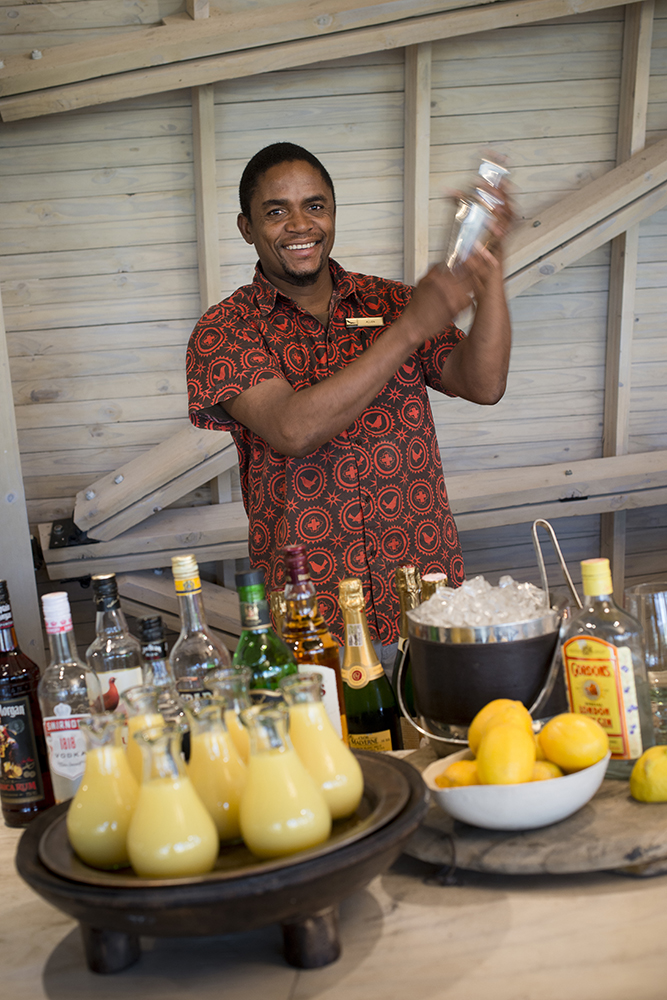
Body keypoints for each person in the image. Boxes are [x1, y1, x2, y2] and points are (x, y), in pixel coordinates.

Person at [187, 142, 512, 655]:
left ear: (333, 213)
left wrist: (488, 272)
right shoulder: (225, 330)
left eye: (314, 206)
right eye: (276, 212)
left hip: (426, 595)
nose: (300, 225)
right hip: (315, 618)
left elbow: (484, 385)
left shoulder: (393, 301)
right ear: (247, 228)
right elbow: (293, 430)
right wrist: (409, 330)